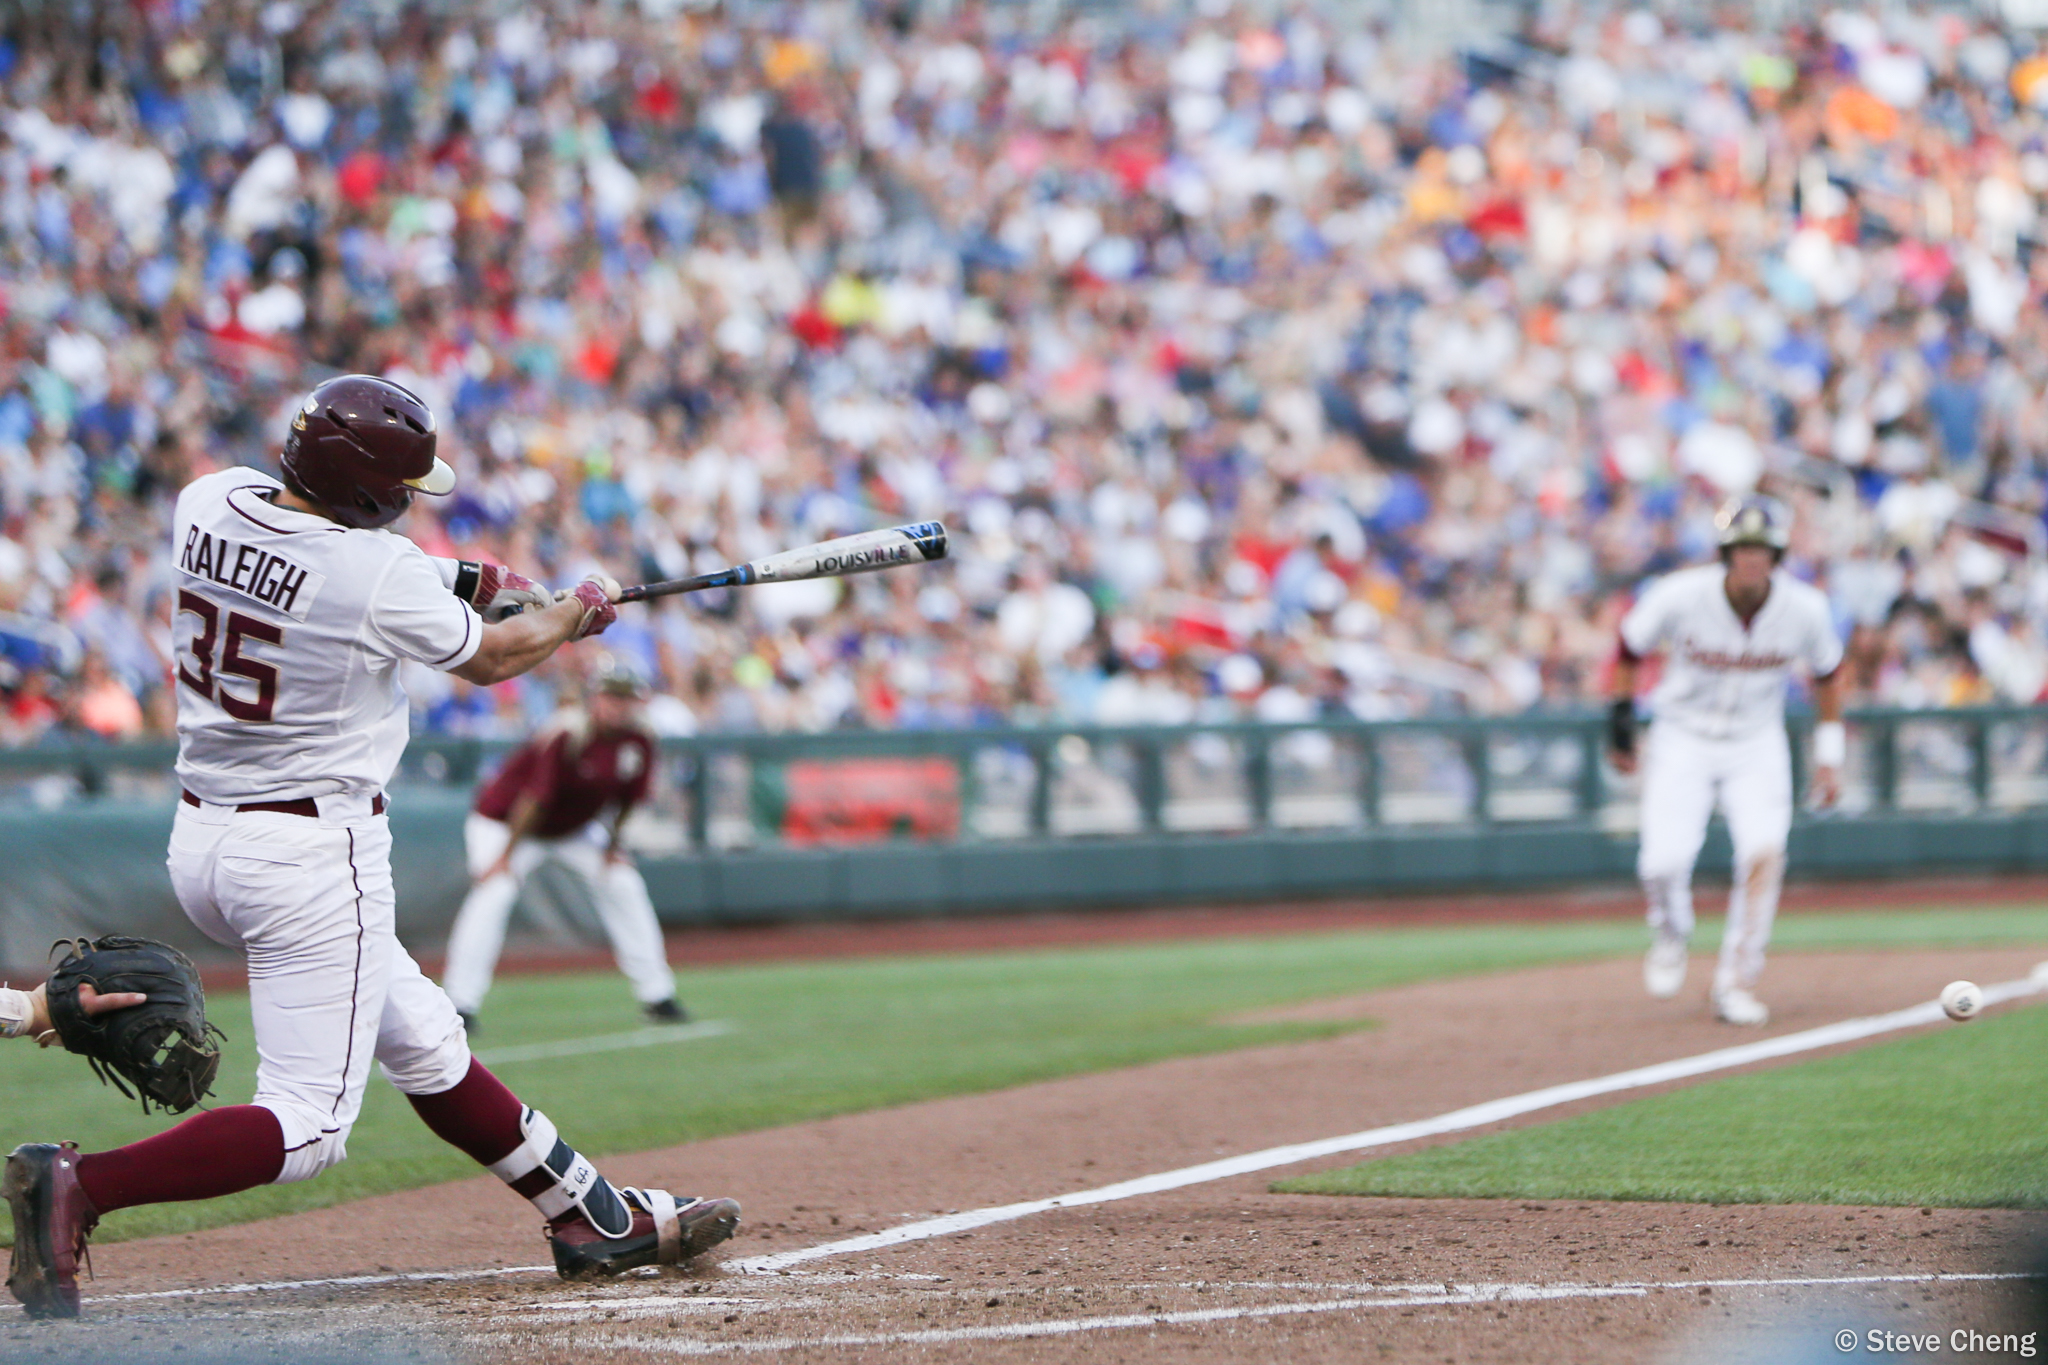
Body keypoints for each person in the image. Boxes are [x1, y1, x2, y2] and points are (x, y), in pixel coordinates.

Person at [1, 375, 739, 1321]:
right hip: (313, 854)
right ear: (372, 495)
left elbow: (330, 564)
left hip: (206, 838)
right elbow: (494, 656)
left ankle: (590, 1212)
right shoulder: (374, 577)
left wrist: (468, 576)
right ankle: (79, 1183)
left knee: (426, 1038)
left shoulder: (209, 499)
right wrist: (574, 610)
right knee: (309, 1125)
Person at [1608, 495, 1845, 1026]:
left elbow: (1829, 673)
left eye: (1762, 549)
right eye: (1742, 549)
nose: (1752, 559)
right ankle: (1670, 932)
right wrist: (1621, 723)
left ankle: (1737, 980)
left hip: (1756, 741)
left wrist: (1829, 755)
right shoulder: (1680, 595)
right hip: (1682, 737)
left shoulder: (1805, 607)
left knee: (1764, 852)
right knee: (1662, 861)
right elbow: (1628, 645)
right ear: (1725, 553)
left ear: (1778, 555)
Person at [442, 664, 685, 1031]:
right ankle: (460, 1003)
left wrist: (613, 847)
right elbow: (532, 802)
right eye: (611, 695)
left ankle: (658, 996)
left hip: (572, 830)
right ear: (595, 697)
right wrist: (504, 858)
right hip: (505, 824)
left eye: (626, 697)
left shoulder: (641, 738)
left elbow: (630, 799)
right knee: (495, 891)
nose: (618, 705)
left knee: (623, 882)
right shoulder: (568, 731)